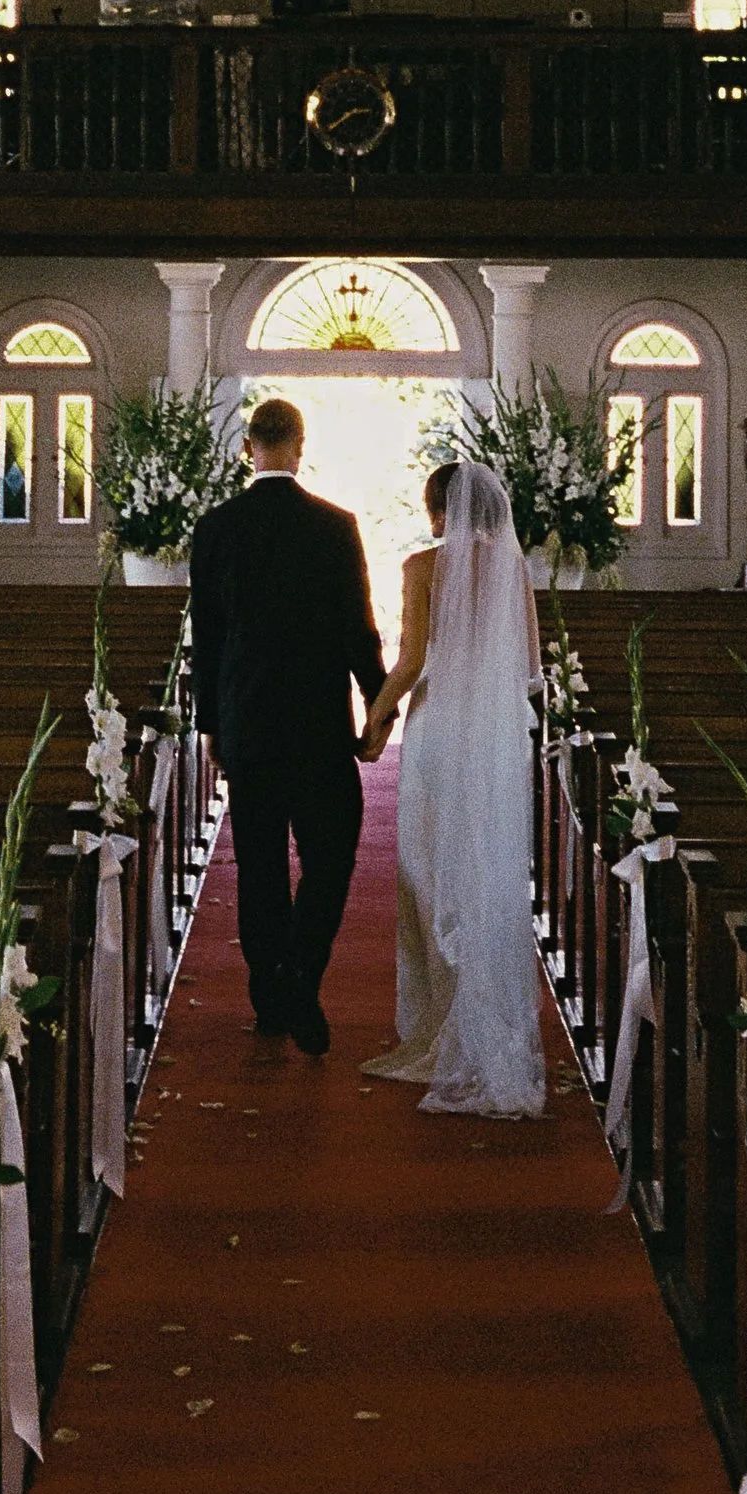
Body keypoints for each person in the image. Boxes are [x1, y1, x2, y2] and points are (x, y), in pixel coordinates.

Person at [187, 397, 384, 1055]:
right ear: (299, 447)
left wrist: (211, 723)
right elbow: (359, 629)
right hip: (320, 724)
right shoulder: (335, 526)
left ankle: (272, 997)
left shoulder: (216, 527)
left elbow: (207, 638)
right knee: (331, 859)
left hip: (249, 720)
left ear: (249, 448)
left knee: (261, 866)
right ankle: (302, 973)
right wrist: (377, 707)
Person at [359, 459, 547, 1119]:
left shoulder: (422, 566)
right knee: (486, 868)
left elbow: (410, 662)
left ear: (438, 507)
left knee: (431, 871)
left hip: (439, 729)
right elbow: (529, 668)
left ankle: (441, 1029)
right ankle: (484, 1021)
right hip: (494, 732)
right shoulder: (514, 569)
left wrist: (375, 718)